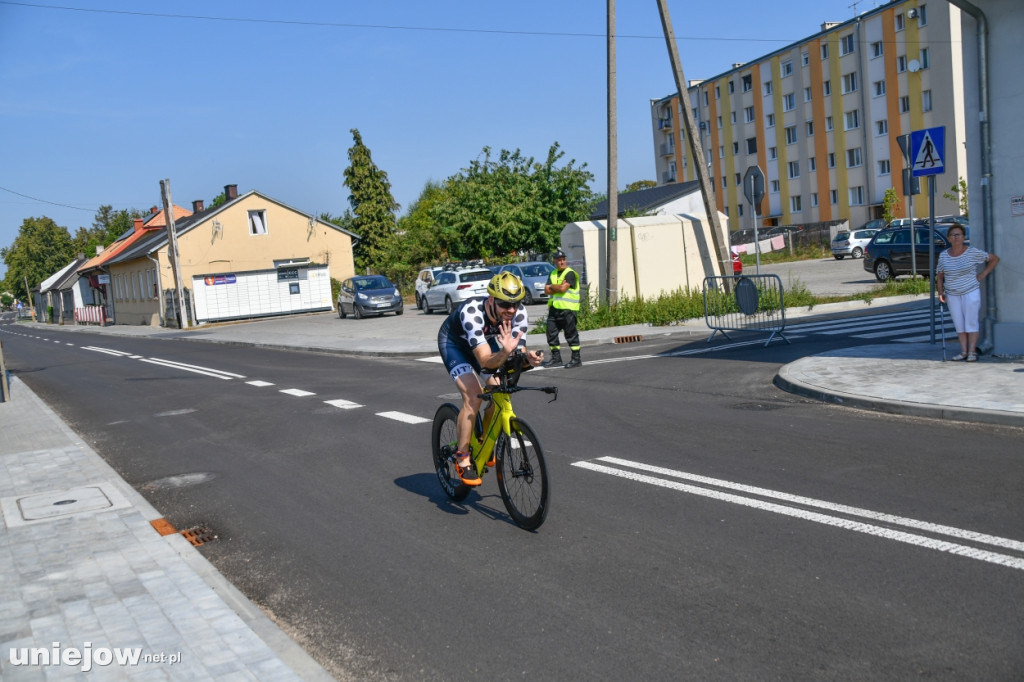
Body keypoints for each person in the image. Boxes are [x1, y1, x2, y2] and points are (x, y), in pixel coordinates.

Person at [437, 271, 544, 486]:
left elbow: (515, 352)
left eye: (516, 304)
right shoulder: (472, 313)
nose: (511, 310)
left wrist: (527, 359)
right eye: (505, 304)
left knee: (498, 389)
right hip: (456, 345)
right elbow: (486, 360)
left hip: (486, 344)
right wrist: (506, 352)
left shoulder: (519, 314)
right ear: (492, 300)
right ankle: (463, 456)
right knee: (473, 397)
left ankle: (484, 440)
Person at [936, 223, 999, 362]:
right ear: (948, 238)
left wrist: (982, 274)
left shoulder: (972, 252)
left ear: (964, 237)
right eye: (953, 235)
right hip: (952, 294)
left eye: (958, 234)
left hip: (970, 291)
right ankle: (964, 351)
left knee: (971, 322)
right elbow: (940, 276)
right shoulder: (943, 256)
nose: (956, 237)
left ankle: (972, 352)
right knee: (959, 323)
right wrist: (940, 292)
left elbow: (994, 259)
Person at [543, 249, 582, 369]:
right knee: (551, 333)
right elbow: (546, 290)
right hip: (554, 310)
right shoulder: (553, 273)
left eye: (563, 260)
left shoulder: (570, 273)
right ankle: (556, 359)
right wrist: (556, 286)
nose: (562, 262)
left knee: (571, 334)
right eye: (559, 260)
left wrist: (553, 286)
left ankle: (576, 359)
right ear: (555, 261)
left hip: (568, 310)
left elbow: (562, 289)